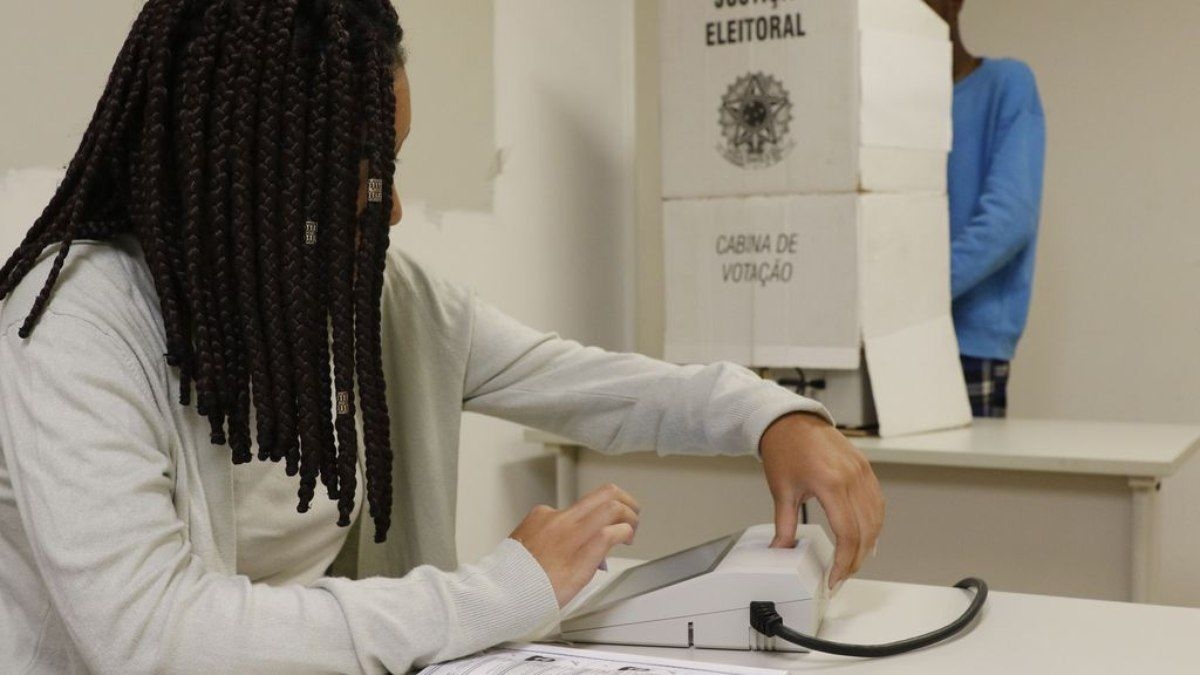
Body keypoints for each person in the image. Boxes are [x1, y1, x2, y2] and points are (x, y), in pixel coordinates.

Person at [0, 1, 884, 672]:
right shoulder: (77, 317)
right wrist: (504, 588)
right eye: (363, 171)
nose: (390, 204)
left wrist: (771, 417)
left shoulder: (371, 297)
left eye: (395, 165)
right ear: (250, 168)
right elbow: (153, 637)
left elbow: (590, 383)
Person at [923, 0, 1047, 418]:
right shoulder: (891, 103)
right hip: (885, 338)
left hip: (969, 341)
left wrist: (915, 294)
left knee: (959, 484)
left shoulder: (1007, 83)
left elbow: (1010, 219)